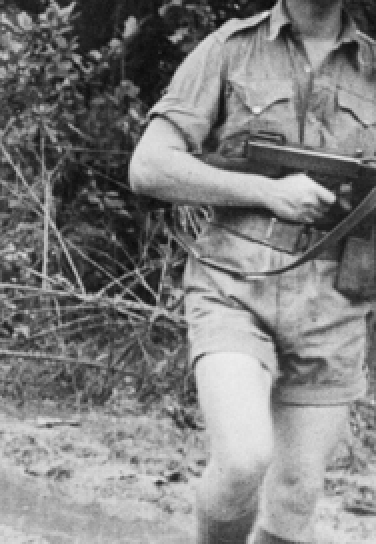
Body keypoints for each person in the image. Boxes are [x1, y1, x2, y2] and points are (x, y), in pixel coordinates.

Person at [129, 1, 376, 543]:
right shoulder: (228, 50)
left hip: (336, 300)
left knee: (297, 492)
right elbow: (150, 166)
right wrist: (268, 192)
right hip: (234, 284)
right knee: (243, 459)